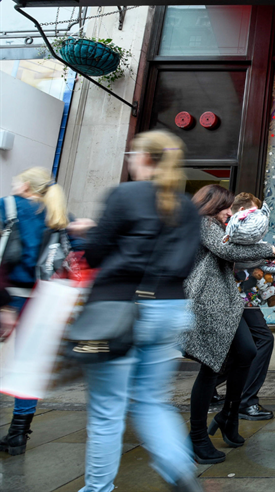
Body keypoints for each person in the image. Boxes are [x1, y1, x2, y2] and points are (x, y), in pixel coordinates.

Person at [68, 130, 203, 492]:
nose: (130, 160)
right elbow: (186, 261)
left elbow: (94, 254)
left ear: (145, 158)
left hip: (120, 307)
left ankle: (98, 489)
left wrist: (87, 232)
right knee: (151, 401)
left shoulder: (125, 195)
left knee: (107, 410)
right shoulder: (187, 206)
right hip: (171, 309)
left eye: (132, 154)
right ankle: (179, 468)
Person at [184, 185, 275, 464]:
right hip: (208, 302)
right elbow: (226, 251)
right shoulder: (204, 223)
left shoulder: (219, 226)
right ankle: (197, 437)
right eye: (226, 207)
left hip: (225, 302)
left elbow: (235, 254)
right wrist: (267, 249)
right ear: (212, 205)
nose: (230, 212)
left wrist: (268, 255)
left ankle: (228, 415)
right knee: (211, 368)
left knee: (247, 352)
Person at [0, 167, 70, 456]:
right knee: (28, 368)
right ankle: (18, 435)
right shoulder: (60, 214)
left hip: (9, 295)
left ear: (26, 185)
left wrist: (4, 304)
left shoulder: (8, 205)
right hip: (43, 299)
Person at [221, 192, 275, 422]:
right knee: (262, 340)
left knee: (242, 347)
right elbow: (239, 255)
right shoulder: (233, 229)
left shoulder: (231, 229)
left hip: (243, 298)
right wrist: (269, 252)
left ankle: (219, 392)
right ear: (244, 211)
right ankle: (246, 401)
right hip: (239, 298)